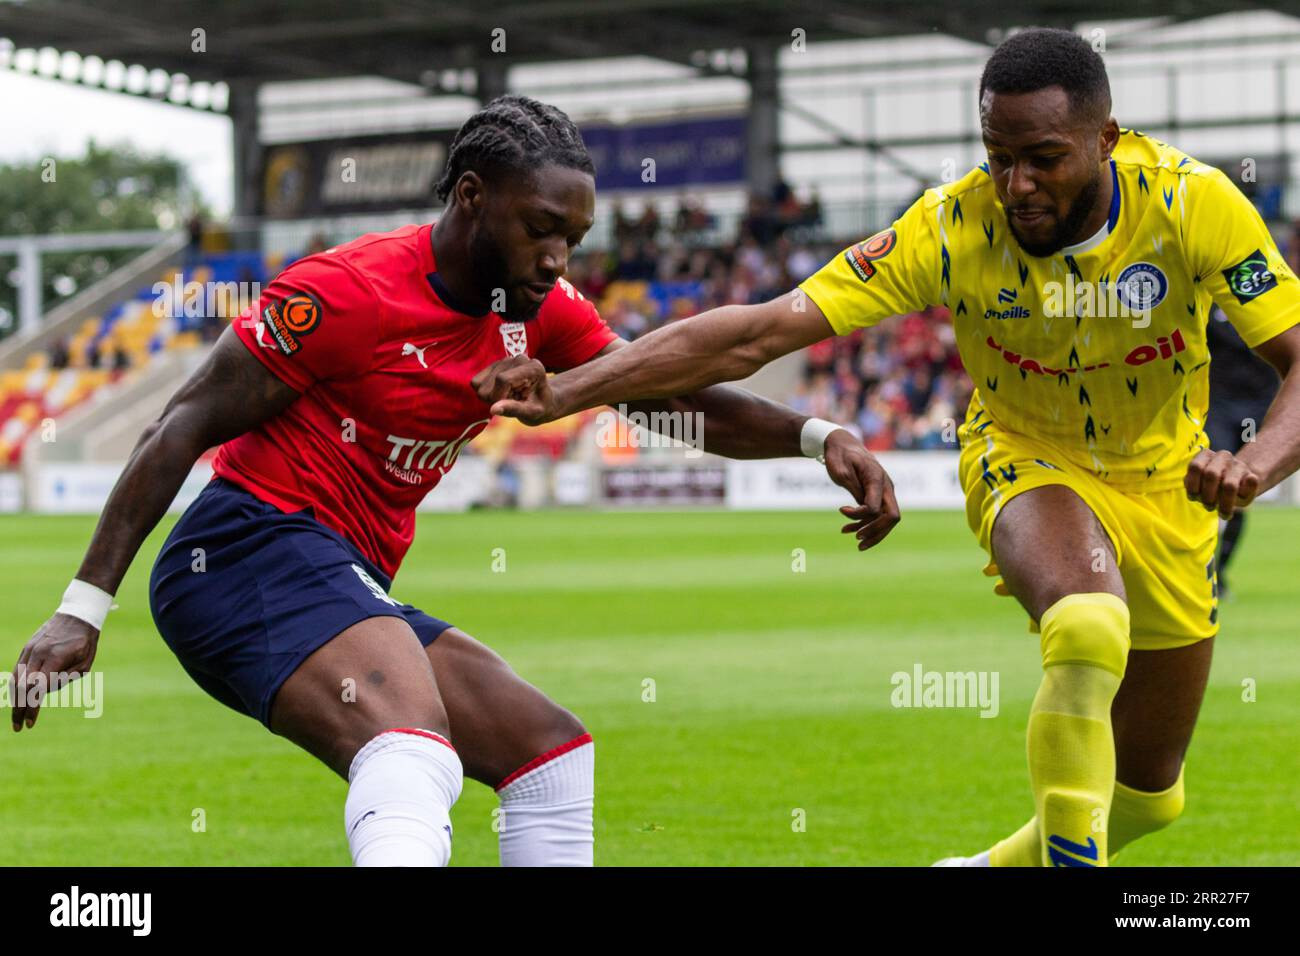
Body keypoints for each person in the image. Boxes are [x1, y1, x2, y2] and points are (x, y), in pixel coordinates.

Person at [476, 31, 1300, 867]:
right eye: (997, 155)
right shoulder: (948, 227)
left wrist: (1257, 462)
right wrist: (574, 388)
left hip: (1167, 485)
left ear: (1106, 139)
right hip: (1025, 454)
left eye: (1044, 158)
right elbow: (760, 332)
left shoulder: (1195, 204)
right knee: (1087, 628)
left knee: (1152, 797)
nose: (1017, 184)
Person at [10, 94, 890, 868]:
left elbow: (662, 394)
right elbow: (181, 425)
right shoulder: (348, 293)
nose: (556, 258)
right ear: (471, 196)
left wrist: (816, 436)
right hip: (243, 551)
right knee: (410, 746)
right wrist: (82, 610)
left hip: (342, 575)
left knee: (550, 754)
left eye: (573, 240)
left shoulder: (538, 311)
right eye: (540, 227)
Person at [1204, 305, 1282, 598]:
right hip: (1218, 406)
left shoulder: (1274, 300)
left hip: (1258, 408)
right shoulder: (1208, 301)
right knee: (1215, 482)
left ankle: (1219, 572)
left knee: (1240, 490)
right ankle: (1199, 569)